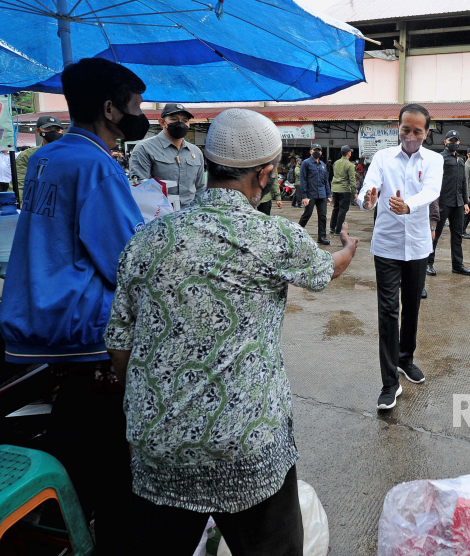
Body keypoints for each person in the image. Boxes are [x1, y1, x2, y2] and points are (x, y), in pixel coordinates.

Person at [105, 109, 358, 555]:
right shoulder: (273, 236)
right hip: (246, 444)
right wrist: (349, 249)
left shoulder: (145, 239)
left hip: (157, 444)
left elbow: (120, 346)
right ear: (264, 174)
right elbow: (325, 271)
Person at [0, 57, 149, 556]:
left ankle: (65, 512)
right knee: (106, 451)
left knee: (73, 429)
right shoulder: (95, 165)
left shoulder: (46, 157)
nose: (139, 115)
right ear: (109, 109)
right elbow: (125, 258)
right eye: (134, 107)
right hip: (85, 330)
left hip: (38, 319)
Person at [356, 104, 443, 410]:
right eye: (405, 129)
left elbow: (432, 191)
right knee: (388, 310)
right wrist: (368, 200)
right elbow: (369, 188)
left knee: (412, 306)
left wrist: (409, 205)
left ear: (426, 132)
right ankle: (390, 382)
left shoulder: (434, 159)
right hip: (387, 246)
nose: (410, 136)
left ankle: (406, 358)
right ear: (398, 127)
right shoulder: (382, 158)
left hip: (418, 246)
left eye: (417, 131)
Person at [128, 103, 205, 208]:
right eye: (174, 119)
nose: (180, 123)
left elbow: (200, 188)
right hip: (159, 215)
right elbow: (141, 189)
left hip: (190, 215)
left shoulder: (195, 151)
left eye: (185, 120)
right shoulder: (144, 148)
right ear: (162, 122)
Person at [427, 130, 470, 277]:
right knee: (436, 234)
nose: (453, 143)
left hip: (458, 203)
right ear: (445, 142)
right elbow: (433, 181)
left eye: (455, 141)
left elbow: (463, 182)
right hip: (443, 202)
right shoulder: (439, 159)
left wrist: (465, 202)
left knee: (457, 235)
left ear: (459, 143)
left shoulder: (461, 160)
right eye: (450, 141)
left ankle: (457, 265)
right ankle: (428, 263)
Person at [16, 115, 65, 191]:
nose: (53, 133)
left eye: (57, 130)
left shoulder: (71, 154)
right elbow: (21, 185)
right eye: (48, 129)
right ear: (37, 131)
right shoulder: (28, 156)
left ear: (62, 132)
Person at [299, 143, 331, 245]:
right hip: (310, 194)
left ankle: (321, 237)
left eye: (318, 150)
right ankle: (297, 233)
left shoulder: (323, 165)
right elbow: (303, 180)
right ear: (311, 152)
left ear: (321, 152)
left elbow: (326, 181)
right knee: (307, 214)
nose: (316, 152)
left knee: (322, 216)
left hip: (322, 195)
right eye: (314, 150)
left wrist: (329, 195)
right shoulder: (306, 163)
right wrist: (304, 196)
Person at [330, 145, 357, 235]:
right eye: (350, 152)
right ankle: (338, 231)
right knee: (343, 210)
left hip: (335, 189)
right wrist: (355, 192)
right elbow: (352, 180)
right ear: (348, 153)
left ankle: (332, 228)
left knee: (336, 208)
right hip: (344, 189)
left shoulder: (336, 163)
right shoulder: (350, 165)